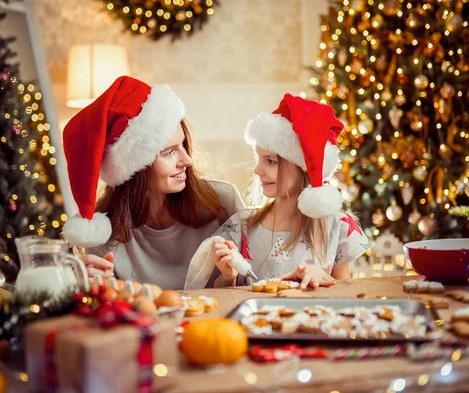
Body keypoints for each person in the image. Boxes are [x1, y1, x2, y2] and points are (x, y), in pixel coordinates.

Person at [61, 76, 244, 290]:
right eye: (169, 152)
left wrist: (229, 278)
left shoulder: (223, 202)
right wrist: (87, 289)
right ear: (136, 167)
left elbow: (253, 285)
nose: (187, 160)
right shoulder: (104, 236)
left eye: (183, 145)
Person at [194, 93, 370, 290]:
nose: (257, 170)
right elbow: (221, 297)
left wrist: (323, 279)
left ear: (302, 167)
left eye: (270, 161)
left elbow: (346, 294)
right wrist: (228, 276)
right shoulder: (241, 227)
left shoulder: (337, 227)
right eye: (258, 159)